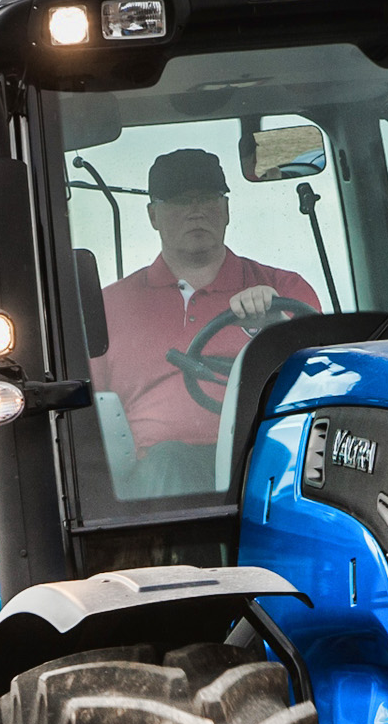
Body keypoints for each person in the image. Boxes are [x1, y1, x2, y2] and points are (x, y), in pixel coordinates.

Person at [92, 147, 320, 491]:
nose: (195, 211)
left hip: (264, 459)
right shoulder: (107, 306)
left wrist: (274, 323)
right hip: (157, 476)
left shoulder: (284, 289)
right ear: (153, 215)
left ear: (226, 209)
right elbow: (80, 413)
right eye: (180, 201)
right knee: (169, 464)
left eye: (207, 198)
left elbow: (320, 379)